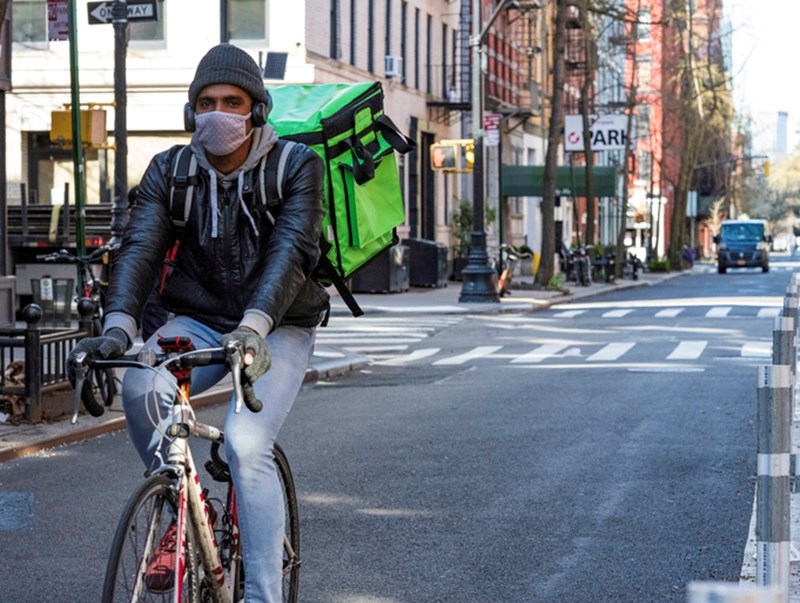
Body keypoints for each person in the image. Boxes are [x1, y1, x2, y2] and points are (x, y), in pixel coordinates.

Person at [68, 43, 328, 602]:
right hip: (201, 318)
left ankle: (262, 596)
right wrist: (117, 328)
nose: (218, 113)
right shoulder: (170, 169)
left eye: (232, 102)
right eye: (206, 103)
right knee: (140, 386)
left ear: (257, 110)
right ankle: (186, 505)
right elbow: (140, 248)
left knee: (246, 445)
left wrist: (255, 326)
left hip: (278, 323)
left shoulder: (297, 165)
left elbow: (292, 251)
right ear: (191, 111)